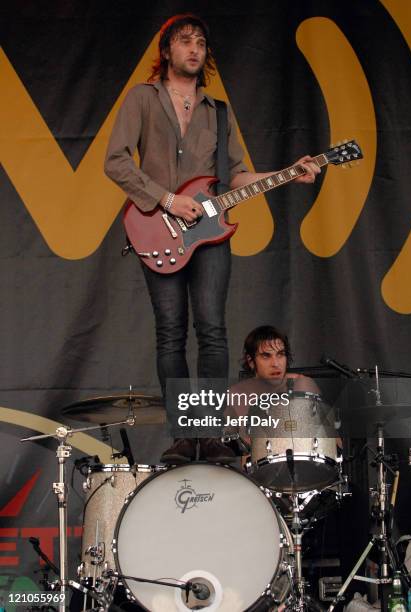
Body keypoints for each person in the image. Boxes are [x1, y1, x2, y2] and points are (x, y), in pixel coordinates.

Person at [104, 14, 320, 463]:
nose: (194, 48)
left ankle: (210, 434)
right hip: (157, 226)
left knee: (214, 332)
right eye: (185, 41)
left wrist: (289, 173)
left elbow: (237, 174)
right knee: (170, 334)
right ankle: (184, 437)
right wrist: (165, 200)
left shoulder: (218, 111)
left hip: (210, 233)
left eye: (201, 42)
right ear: (166, 51)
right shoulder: (142, 99)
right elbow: (116, 162)